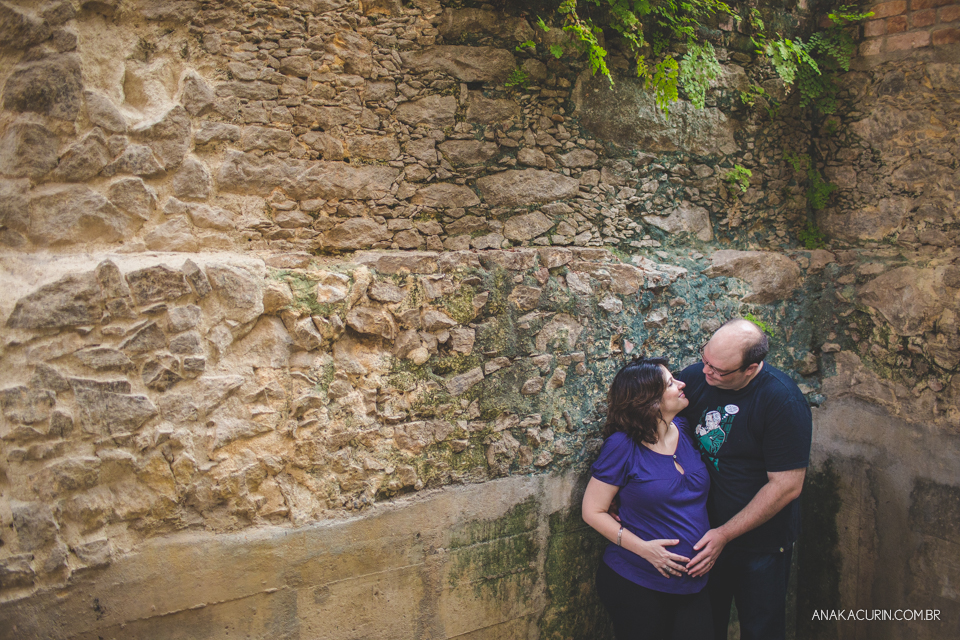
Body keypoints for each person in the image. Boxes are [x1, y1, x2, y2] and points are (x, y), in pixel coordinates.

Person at [677, 318, 812, 640]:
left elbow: (787, 485)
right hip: (700, 533)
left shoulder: (783, 401)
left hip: (760, 542)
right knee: (704, 626)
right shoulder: (695, 377)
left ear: (751, 368)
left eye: (719, 370)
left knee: (760, 628)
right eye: (705, 359)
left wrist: (724, 533)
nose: (707, 372)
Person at [582, 356, 713, 640]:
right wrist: (645, 549)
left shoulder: (685, 429)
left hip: (694, 585)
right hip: (637, 581)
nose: (681, 384)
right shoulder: (622, 445)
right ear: (649, 401)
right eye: (670, 383)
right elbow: (593, 511)